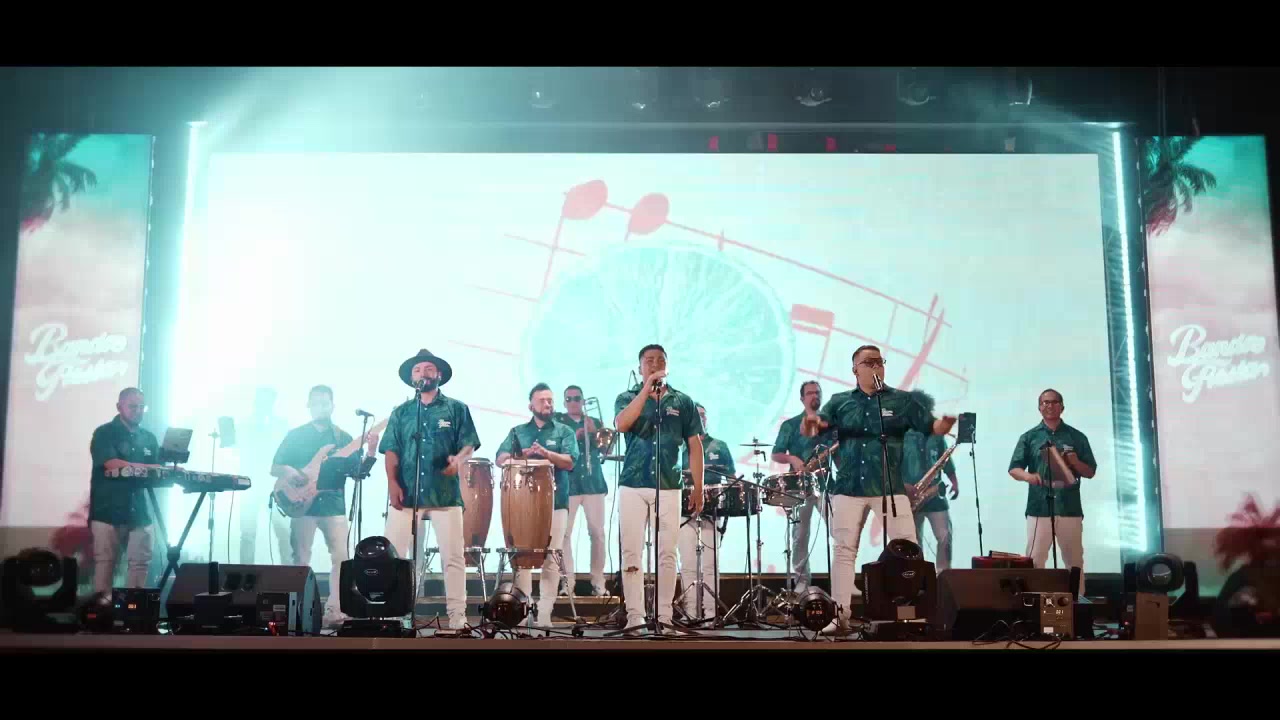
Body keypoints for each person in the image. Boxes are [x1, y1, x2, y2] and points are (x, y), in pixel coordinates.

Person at [801, 345, 956, 634]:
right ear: (855, 369)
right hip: (848, 487)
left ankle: (913, 613)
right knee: (844, 550)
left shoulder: (902, 400)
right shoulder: (840, 402)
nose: (876, 367)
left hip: (889, 487)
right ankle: (840, 616)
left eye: (879, 362)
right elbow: (814, 429)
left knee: (908, 548)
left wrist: (943, 425)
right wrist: (810, 424)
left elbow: (929, 425)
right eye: (868, 362)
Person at [379, 349, 480, 631]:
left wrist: (458, 460)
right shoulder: (401, 412)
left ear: (439, 375)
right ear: (411, 378)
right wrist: (392, 483)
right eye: (417, 370)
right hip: (407, 493)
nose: (422, 373)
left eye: (428, 368)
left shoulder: (456, 408)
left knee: (453, 557)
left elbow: (469, 444)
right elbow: (391, 450)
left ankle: (457, 617)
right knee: (394, 555)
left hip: (444, 493)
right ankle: (394, 615)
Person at [614, 344, 704, 634]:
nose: (654, 365)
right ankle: (635, 617)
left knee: (667, 554)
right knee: (632, 552)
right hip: (633, 484)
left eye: (660, 361)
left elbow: (695, 445)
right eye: (648, 361)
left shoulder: (683, 401)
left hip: (669, 485)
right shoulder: (627, 397)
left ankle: (664, 616)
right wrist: (646, 391)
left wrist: (698, 487)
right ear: (640, 367)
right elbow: (621, 424)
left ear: (667, 366)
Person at [270, 385, 360, 627]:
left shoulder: (342, 437)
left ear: (333, 405)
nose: (320, 407)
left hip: (333, 505)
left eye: (325, 403)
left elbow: (356, 471)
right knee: (300, 558)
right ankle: (300, 611)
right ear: (308, 406)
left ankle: (335, 610)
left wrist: (369, 450)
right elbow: (275, 467)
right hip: (302, 506)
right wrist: (292, 472)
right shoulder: (296, 435)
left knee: (341, 558)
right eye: (316, 402)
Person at [497, 383, 579, 626]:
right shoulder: (518, 431)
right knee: (522, 557)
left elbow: (570, 462)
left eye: (550, 400)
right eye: (542, 400)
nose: (548, 404)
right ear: (530, 406)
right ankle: (524, 610)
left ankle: (544, 612)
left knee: (552, 556)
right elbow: (500, 458)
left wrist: (546, 454)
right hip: (522, 504)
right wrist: (520, 455)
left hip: (556, 503)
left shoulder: (564, 431)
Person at [1007, 388, 1095, 597]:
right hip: (1039, 508)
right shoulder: (1029, 437)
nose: (1049, 406)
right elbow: (1014, 468)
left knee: (1074, 561)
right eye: (1045, 402)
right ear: (1039, 407)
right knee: (1035, 559)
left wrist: (1075, 462)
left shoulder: (1076, 436)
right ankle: (1033, 607)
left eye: (1054, 402)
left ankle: (1076, 606)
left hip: (1069, 507)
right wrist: (1029, 476)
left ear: (1062, 407)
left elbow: (1090, 471)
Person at [88, 387, 162, 595]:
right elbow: (111, 464)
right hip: (107, 511)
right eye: (132, 406)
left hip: (139, 512)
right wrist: (147, 468)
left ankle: (134, 609)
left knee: (140, 563)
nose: (138, 411)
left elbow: (158, 469)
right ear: (119, 407)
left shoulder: (149, 438)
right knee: (106, 563)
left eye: (141, 407)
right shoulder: (104, 433)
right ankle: (102, 609)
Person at [771, 380, 838, 594]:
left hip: (827, 485)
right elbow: (776, 453)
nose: (814, 396)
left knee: (839, 532)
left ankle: (841, 580)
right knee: (800, 536)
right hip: (800, 486)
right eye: (810, 393)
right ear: (802, 398)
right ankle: (801, 581)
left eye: (817, 392)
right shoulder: (790, 425)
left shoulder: (831, 425)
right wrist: (793, 458)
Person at [677, 402, 735, 620]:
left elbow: (731, 478)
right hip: (685, 510)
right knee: (688, 564)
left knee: (710, 564)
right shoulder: (680, 447)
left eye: (703, 415)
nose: (700, 418)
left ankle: (710, 612)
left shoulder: (719, 446)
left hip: (712, 511)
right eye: (696, 415)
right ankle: (690, 612)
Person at [554, 384, 609, 597]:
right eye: (569, 399)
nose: (573, 402)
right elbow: (556, 448)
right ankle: (567, 583)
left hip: (594, 483)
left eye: (577, 398)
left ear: (583, 401)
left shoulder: (594, 422)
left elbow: (607, 450)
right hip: (569, 484)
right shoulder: (559, 423)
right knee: (564, 534)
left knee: (598, 533)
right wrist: (574, 437)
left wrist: (594, 432)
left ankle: (599, 582)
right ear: (564, 402)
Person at [902, 393, 960, 572]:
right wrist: (902, 486)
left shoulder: (937, 433)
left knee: (945, 536)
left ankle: (944, 573)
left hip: (935, 494)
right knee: (914, 542)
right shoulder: (901, 434)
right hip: (911, 495)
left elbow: (945, 459)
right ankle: (918, 576)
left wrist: (954, 481)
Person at [238, 386, 291, 565]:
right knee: (247, 534)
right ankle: (245, 574)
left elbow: (290, 453)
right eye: (262, 400)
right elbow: (237, 448)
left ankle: (289, 575)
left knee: (284, 532)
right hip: (249, 485)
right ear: (256, 402)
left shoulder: (282, 426)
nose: (264, 404)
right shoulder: (244, 425)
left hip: (275, 485)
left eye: (268, 401)